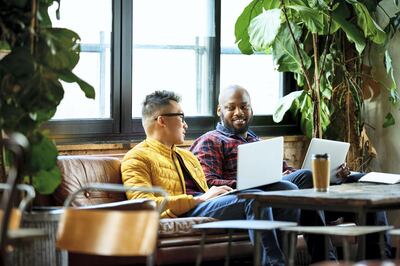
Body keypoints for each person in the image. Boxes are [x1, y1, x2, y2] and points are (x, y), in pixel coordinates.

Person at [190, 84, 392, 259]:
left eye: (244, 106)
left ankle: (380, 258)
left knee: (359, 184)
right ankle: (327, 260)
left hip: (289, 193)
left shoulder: (255, 140)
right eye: (231, 107)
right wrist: (253, 182)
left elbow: (288, 172)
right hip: (257, 198)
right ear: (219, 110)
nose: (239, 112)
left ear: (251, 109)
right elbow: (207, 183)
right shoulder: (211, 140)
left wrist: (330, 174)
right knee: (306, 177)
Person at [121, 90, 299, 266]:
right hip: (184, 210)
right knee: (254, 199)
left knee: (286, 190)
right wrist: (198, 199)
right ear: (162, 120)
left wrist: (216, 194)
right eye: (181, 117)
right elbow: (143, 205)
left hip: (202, 203)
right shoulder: (137, 157)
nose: (185, 125)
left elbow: (207, 193)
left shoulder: (187, 156)